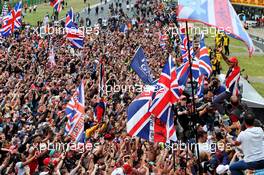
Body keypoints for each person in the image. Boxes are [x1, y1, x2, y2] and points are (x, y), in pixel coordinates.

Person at [212, 47, 240, 114]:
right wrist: (221, 52)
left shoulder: (236, 70)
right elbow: (226, 59)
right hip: (227, 89)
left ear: (235, 63)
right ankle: (227, 112)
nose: (229, 63)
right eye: (230, 62)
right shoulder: (232, 67)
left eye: (231, 62)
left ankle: (223, 114)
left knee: (215, 101)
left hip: (230, 92)